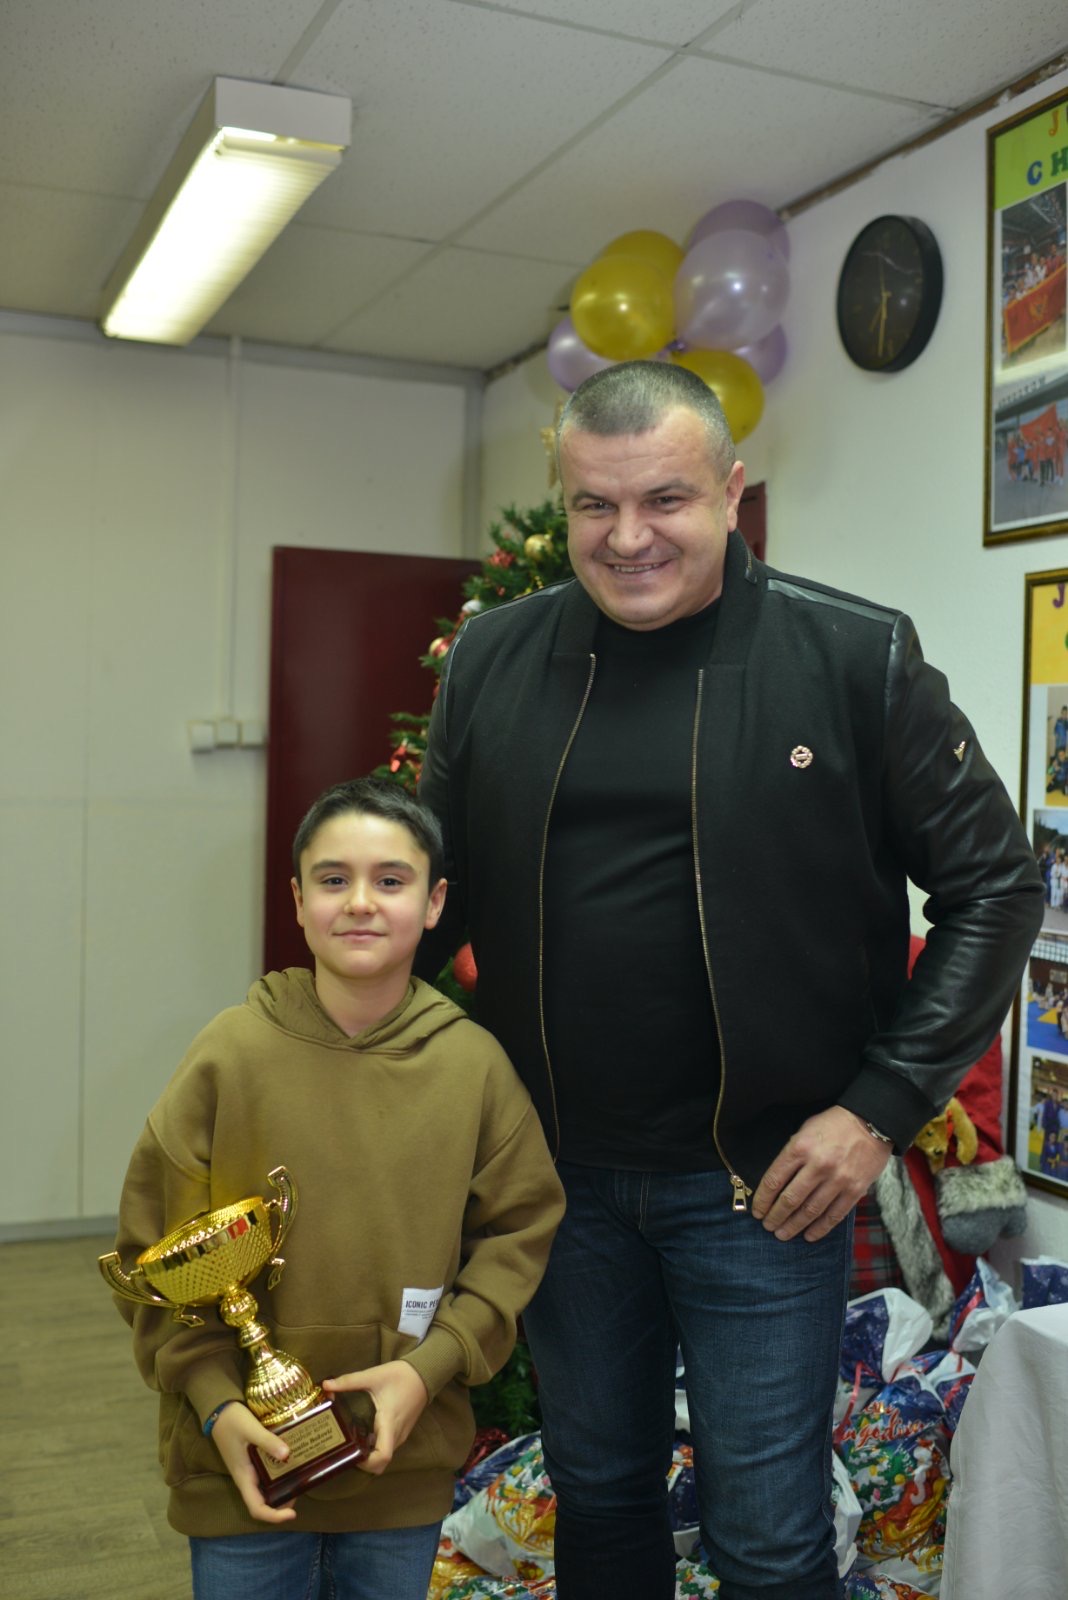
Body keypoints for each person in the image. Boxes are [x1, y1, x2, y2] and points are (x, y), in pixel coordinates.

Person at [417, 360, 1043, 1600]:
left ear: (731, 492)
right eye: (595, 505)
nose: (628, 536)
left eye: (665, 499)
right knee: (598, 1497)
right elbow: (431, 896)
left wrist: (877, 1109)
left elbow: (998, 886)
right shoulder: (494, 658)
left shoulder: (852, 654)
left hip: (765, 1185)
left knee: (768, 1535)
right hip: (556, 1177)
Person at [109, 777, 565, 1600]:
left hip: (402, 1468)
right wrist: (216, 1403)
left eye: (390, 880)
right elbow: (153, 1253)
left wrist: (429, 1367)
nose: (360, 902)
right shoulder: (229, 1055)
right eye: (332, 879)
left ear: (435, 902)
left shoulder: (473, 1067)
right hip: (237, 1468)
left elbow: (519, 1232)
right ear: (297, 899)